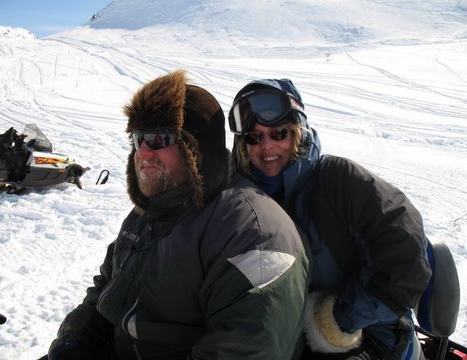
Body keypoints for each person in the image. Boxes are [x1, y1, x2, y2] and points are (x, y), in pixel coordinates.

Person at [42, 70, 309, 360]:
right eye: (138, 138)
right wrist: (79, 337)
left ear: (196, 149)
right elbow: (107, 286)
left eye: (158, 138)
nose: (142, 152)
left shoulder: (253, 234)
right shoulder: (148, 212)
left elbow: (245, 349)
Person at [228, 78, 432, 360]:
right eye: (254, 137)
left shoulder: (338, 180)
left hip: (370, 334)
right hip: (280, 342)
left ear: (297, 132)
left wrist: (339, 319)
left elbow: (404, 256)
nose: (266, 147)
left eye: (279, 134)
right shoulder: (238, 199)